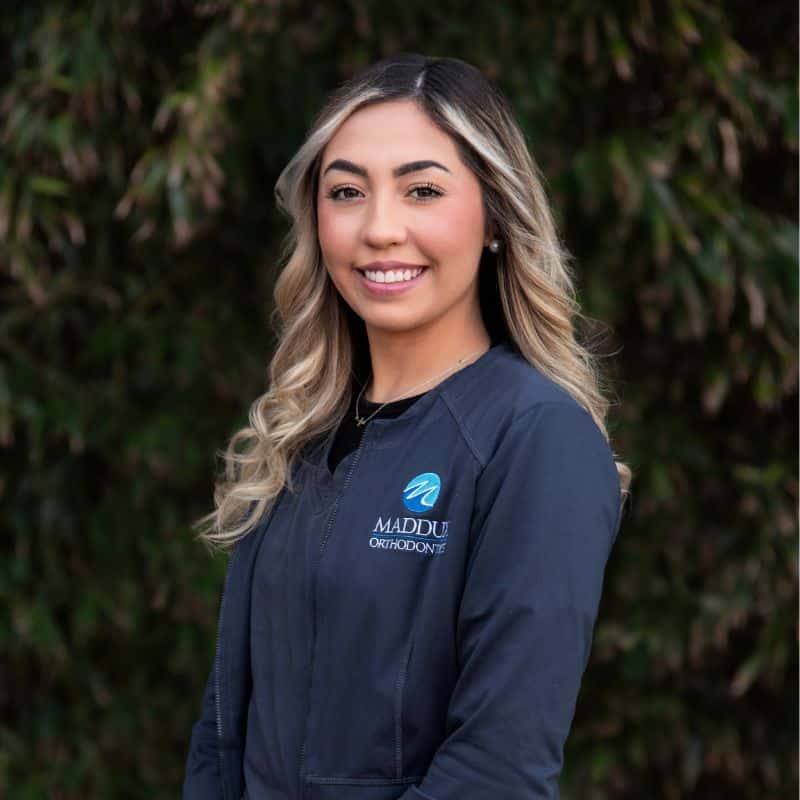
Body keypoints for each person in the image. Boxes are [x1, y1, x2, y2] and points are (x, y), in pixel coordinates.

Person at [182, 53, 632, 800]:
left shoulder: (536, 440)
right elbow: (225, 725)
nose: (379, 229)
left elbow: (498, 771)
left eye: (422, 190)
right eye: (347, 192)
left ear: (494, 216)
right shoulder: (301, 437)